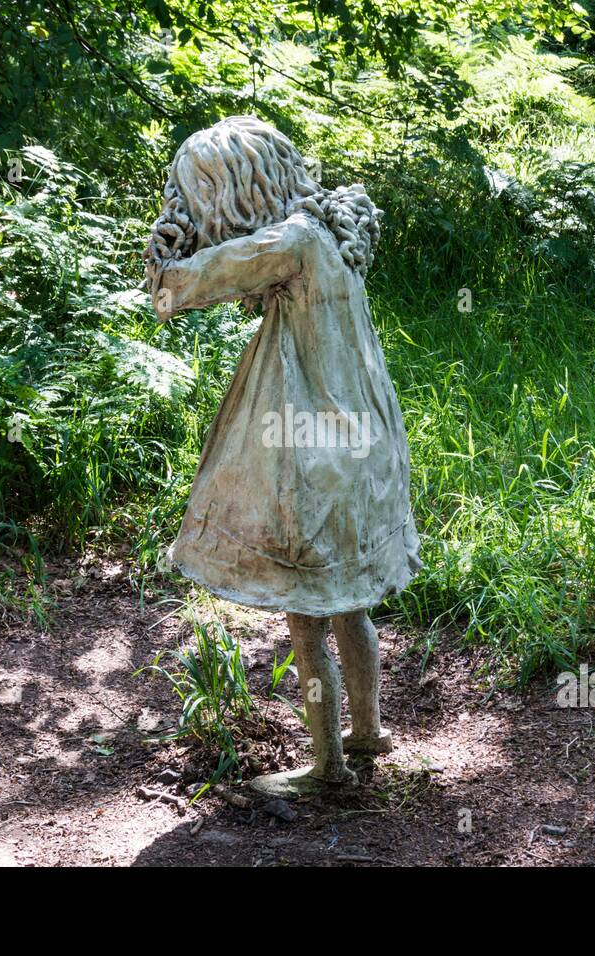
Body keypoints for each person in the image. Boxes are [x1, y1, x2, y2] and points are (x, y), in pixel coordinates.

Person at [145, 116, 421, 793]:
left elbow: (180, 289)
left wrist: (164, 249)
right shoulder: (327, 229)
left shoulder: (291, 242)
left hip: (312, 451)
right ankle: (367, 734)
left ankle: (327, 767)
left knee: (306, 617)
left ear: (233, 192)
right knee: (348, 605)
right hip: (359, 438)